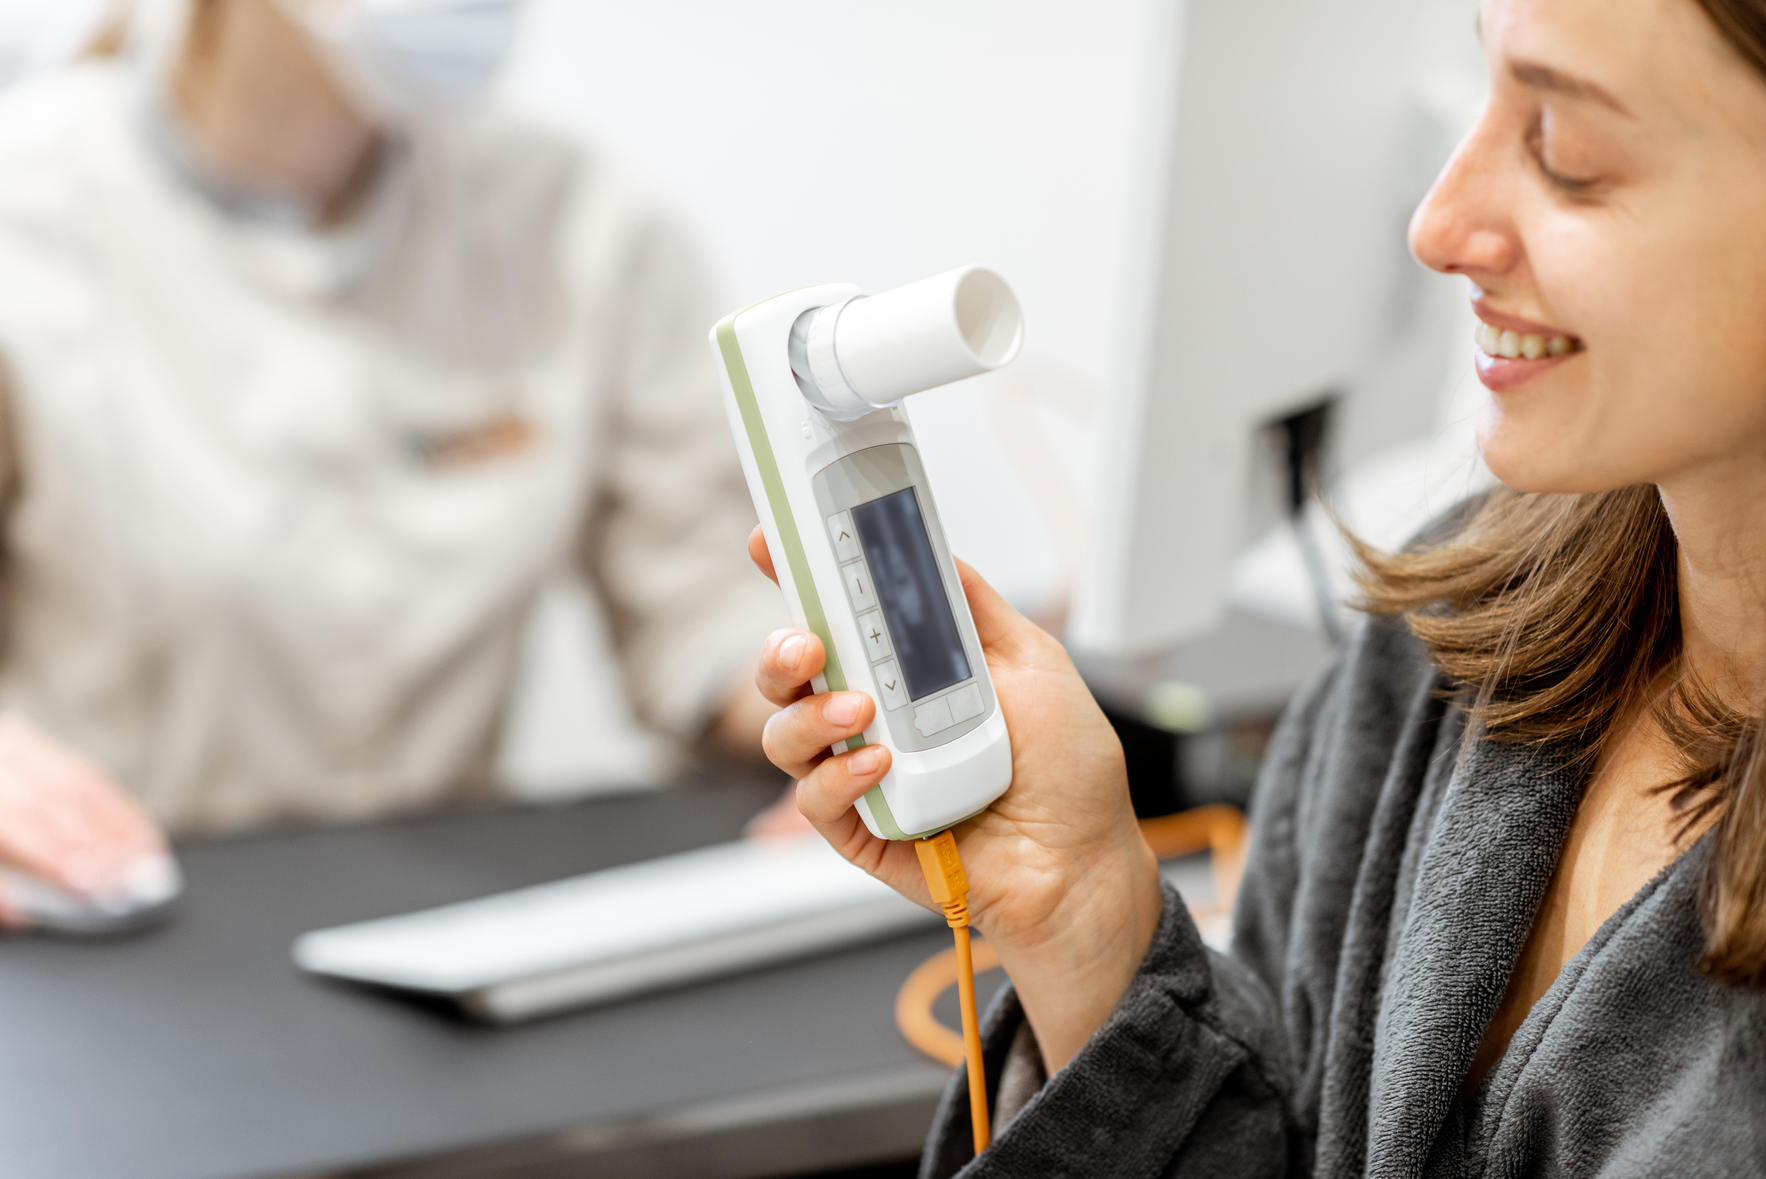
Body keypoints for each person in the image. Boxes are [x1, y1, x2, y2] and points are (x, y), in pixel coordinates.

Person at [753, 0, 1766, 1173]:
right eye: (1479, 92)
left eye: (1568, 154)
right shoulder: (1442, 650)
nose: (1436, 226)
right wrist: (1086, 916)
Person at [0, 0, 781, 926]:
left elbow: (698, 594)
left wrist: (832, 713)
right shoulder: (32, 214)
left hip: (446, 921)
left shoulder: (579, 222)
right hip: (120, 924)